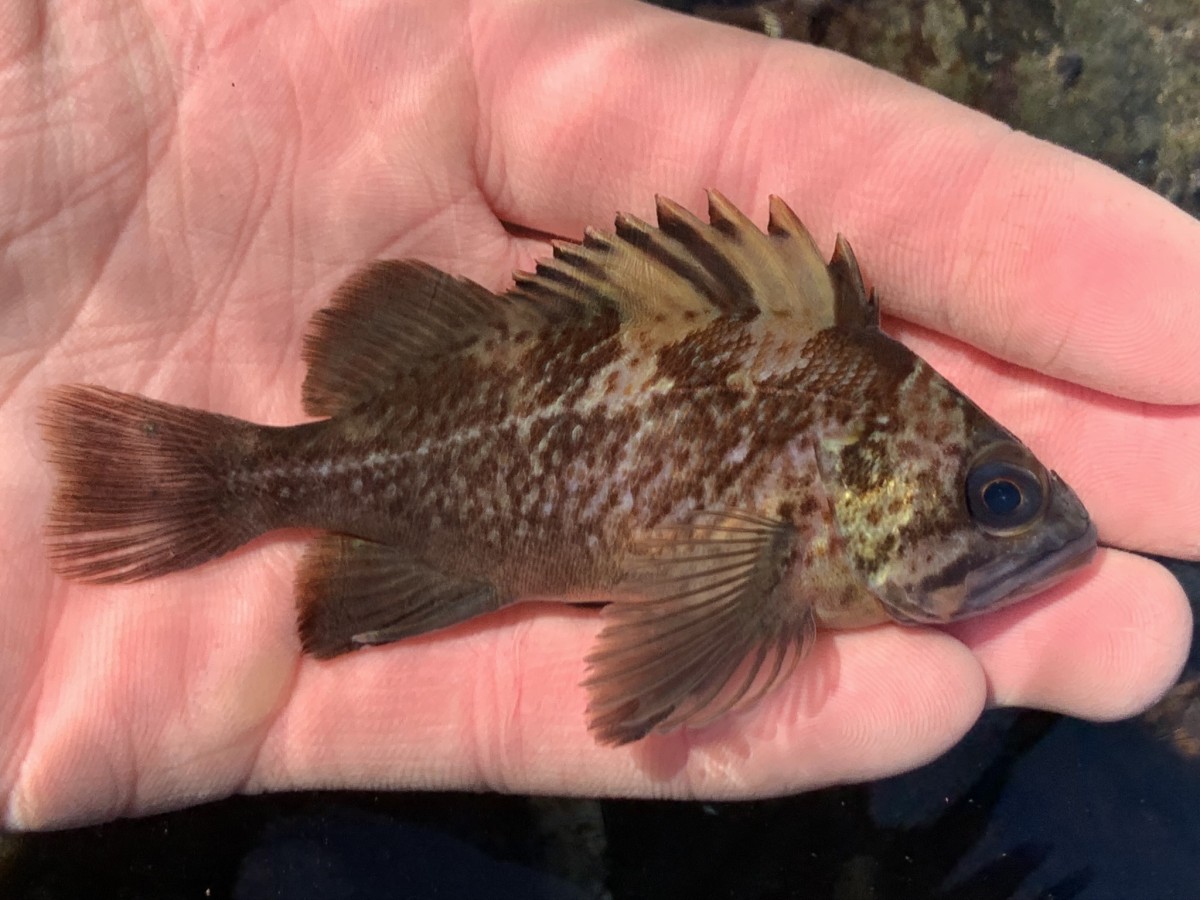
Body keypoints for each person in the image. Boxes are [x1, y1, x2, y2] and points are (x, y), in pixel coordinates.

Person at [1, 0, 1194, 830]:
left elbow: (660, 663)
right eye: (997, 500)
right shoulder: (797, 524)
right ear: (856, 481)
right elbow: (662, 671)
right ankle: (229, 483)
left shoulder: (818, 491)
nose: (1019, 523)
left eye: (1004, 498)